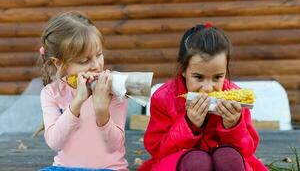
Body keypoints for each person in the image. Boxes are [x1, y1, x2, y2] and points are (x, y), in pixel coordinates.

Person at [138, 23, 268, 171]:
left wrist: (233, 126)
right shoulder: (163, 98)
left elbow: (247, 151)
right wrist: (188, 124)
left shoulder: (235, 100)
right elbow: (158, 151)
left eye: (217, 77)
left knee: (229, 157)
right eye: (199, 77)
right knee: (197, 161)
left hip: (223, 163)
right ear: (183, 70)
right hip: (180, 164)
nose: (207, 88)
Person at [38, 11, 128, 171]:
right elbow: (54, 142)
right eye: (84, 61)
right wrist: (77, 102)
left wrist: (102, 111)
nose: (96, 65)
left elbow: (115, 145)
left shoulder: (113, 89)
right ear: (59, 63)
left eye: (99, 55)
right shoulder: (51, 93)